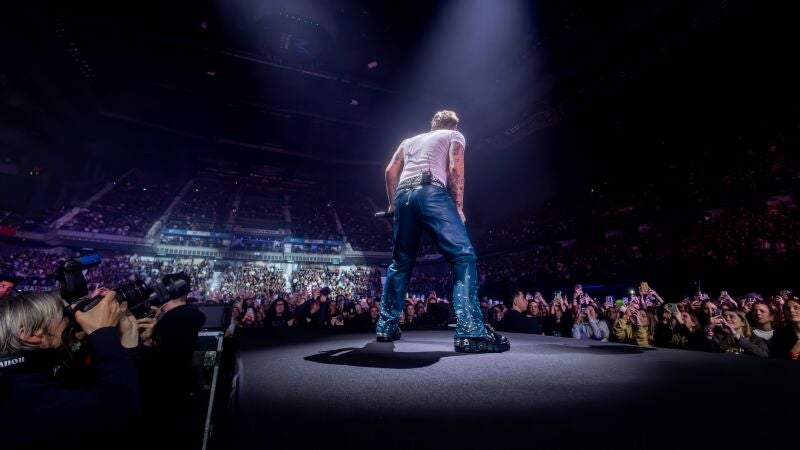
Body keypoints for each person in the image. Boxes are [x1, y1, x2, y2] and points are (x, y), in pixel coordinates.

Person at [377, 110, 509, 352]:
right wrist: (458, 208)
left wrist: (392, 205)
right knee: (463, 256)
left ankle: (386, 327)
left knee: (400, 262)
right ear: (454, 125)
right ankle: (470, 331)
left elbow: (390, 172)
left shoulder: (408, 141)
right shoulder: (454, 135)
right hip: (431, 191)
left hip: (403, 196)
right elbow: (455, 169)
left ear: (433, 125)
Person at [0, 290, 142, 447]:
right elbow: (120, 409)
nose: (71, 319)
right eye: (63, 315)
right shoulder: (22, 397)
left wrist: (128, 345)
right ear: (32, 335)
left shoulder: (18, 379)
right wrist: (103, 333)